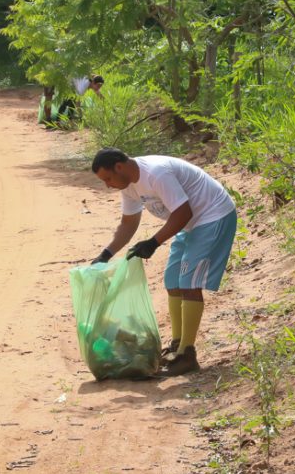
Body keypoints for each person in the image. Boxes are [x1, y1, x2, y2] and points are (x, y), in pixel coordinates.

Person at [90, 148, 237, 376]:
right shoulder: (128, 186)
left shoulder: (155, 174)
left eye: (108, 178)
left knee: (189, 283)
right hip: (189, 224)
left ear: (119, 166)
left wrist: (154, 242)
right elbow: (129, 224)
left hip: (212, 215)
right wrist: (106, 254)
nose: (108, 185)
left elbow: (183, 212)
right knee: (172, 280)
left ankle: (187, 354)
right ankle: (177, 346)